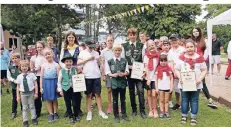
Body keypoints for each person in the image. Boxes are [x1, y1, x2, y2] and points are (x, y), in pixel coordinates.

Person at [175, 39, 207, 126]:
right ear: (185, 48)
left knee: (194, 100)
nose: (189, 49)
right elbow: (177, 69)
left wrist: (200, 79)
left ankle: (193, 117)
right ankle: (184, 116)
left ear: (194, 47)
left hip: (196, 84)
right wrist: (180, 77)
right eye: (187, 47)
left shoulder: (199, 58)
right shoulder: (181, 58)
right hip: (184, 84)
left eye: (191, 47)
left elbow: (204, 70)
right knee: (184, 100)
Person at [77, 39, 108, 121]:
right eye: (90, 47)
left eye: (93, 47)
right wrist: (88, 59)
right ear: (86, 45)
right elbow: (78, 63)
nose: (91, 48)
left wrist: (102, 71)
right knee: (88, 95)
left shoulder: (97, 53)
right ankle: (89, 112)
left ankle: (100, 111)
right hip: (87, 76)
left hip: (96, 76)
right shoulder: (82, 53)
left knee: (98, 94)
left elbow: (100, 64)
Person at [121, 28, 146, 119]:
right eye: (130, 35)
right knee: (131, 91)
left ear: (136, 35)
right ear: (128, 36)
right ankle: (134, 110)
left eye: (134, 35)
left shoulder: (141, 45)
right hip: (130, 72)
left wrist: (143, 70)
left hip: (139, 72)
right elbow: (123, 60)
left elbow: (144, 59)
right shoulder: (124, 46)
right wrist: (128, 67)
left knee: (140, 91)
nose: (132, 36)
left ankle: (142, 110)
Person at [191, 27, 217, 108]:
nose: (195, 32)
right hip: (191, 64)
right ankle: (193, 100)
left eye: (197, 31)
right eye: (194, 31)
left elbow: (206, 53)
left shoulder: (204, 41)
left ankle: (209, 100)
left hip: (200, 64)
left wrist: (201, 61)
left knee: (202, 82)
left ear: (199, 32)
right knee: (193, 81)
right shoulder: (191, 41)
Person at [59, 31, 83, 117]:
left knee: (77, 92)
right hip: (67, 71)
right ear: (67, 39)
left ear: (75, 38)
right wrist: (66, 68)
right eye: (69, 37)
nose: (71, 39)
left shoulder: (79, 48)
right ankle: (68, 110)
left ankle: (78, 109)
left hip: (76, 71)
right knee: (67, 92)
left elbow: (81, 60)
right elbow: (60, 60)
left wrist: (78, 68)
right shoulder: (64, 49)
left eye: (72, 37)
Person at [105, 44, 130, 123]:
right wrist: (113, 75)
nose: (117, 52)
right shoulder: (109, 61)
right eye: (116, 50)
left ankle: (124, 114)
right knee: (115, 99)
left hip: (122, 82)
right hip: (114, 83)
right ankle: (116, 115)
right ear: (113, 51)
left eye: (119, 50)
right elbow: (107, 72)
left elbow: (127, 71)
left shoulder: (124, 60)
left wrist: (124, 73)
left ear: (121, 51)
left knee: (123, 99)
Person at [57, 54, 82, 124]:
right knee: (68, 103)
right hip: (65, 89)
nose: (68, 63)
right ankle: (70, 116)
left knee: (75, 103)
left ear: (72, 62)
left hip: (74, 89)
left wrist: (79, 85)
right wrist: (60, 90)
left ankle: (76, 115)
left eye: (70, 61)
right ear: (64, 62)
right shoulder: (61, 71)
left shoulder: (74, 70)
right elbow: (59, 82)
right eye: (67, 61)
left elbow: (77, 78)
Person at [16, 60, 38, 127]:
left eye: (26, 66)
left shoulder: (32, 75)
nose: (24, 67)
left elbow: (35, 84)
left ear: (28, 67)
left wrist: (36, 93)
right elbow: (18, 87)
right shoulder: (19, 76)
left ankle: (34, 118)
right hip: (23, 94)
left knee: (32, 106)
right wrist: (18, 96)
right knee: (24, 107)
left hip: (31, 93)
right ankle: (25, 121)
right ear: (20, 67)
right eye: (22, 66)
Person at [40, 47, 60, 122]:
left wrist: (58, 86)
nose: (47, 55)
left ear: (52, 54)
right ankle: (50, 113)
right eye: (46, 54)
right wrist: (41, 87)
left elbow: (59, 77)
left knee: (54, 99)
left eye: (49, 54)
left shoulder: (56, 65)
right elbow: (41, 77)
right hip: (46, 83)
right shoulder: (43, 66)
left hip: (54, 83)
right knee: (48, 99)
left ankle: (55, 113)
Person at [101, 34, 118, 114]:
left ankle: (117, 106)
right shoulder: (103, 52)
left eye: (111, 40)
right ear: (106, 41)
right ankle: (110, 106)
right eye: (108, 40)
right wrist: (103, 74)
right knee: (109, 90)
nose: (110, 42)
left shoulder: (116, 50)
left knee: (116, 89)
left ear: (113, 41)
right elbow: (102, 63)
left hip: (116, 73)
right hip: (108, 73)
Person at [30, 41, 47, 118]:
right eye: (38, 47)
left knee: (47, 94)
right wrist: (36, 69)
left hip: (46, 77)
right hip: (37, 77)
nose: (39, 49)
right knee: (37, 95)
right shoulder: (33, 57)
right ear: (36, 48)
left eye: (41, 47)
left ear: (43, 47)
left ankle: (52, 110)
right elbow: (31, 69)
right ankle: (37, 111)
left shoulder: (46, 56)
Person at [168, 34, 185, 110]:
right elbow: (170, 62)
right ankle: (178, 103)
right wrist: (174, 72)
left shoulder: (183, 49)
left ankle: (184, 103)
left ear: (179, 40)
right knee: (176, 88)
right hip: (174, 72)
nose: (174, 41)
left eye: (175, 40)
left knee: (184, 88)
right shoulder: (170, 51)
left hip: (183, 71)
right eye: (172, 40)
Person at [143, 40, 159, 118]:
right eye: (149, 46)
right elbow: (146, 67)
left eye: (152, 45)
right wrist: (148, 79)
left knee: (154, 95)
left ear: (154, 45)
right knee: (149, 94)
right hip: (148, 78)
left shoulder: (157, 56)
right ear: (147, 47)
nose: (151, 47)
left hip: (155, 78)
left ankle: (155, 109)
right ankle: (150, 110)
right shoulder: (146, 56)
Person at [155, 54, 173, 119]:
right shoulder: (158, 69)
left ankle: (166, 111)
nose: (163, 62)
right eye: (161, 61)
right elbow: (156, 79)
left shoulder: (169, 69)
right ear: (159, 61)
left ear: (167, 61)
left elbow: (171, 78)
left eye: (165, 61)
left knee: (166, 100)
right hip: (160, 88)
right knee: (161, 100)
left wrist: (171, 87)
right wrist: (156, 88)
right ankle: (162, 112)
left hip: (167, 88)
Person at [7, 52, 22, 119]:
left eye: (16, 58)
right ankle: (14, 112)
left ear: (19, 58)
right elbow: (8, 77)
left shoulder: (22, 65)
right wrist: (14, 80)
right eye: (13, 58)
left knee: (22, 98)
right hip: (14, 86)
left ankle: (23, 110)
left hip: (22, 86)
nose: (14, 60)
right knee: (14, 99)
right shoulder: (10, 67)